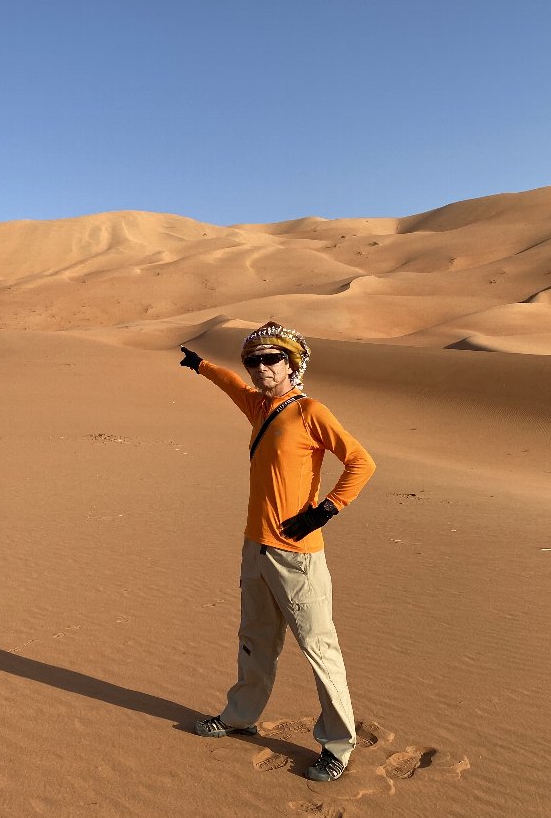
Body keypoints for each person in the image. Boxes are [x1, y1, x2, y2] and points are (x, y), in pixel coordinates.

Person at [178, 322, 375, 782]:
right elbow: (232, 385)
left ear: (291, 364)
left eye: (271, 358)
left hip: (297, 556)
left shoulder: (310, 412)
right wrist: (202, 365)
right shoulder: (260, 407)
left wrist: (325, 510)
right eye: (254, 360)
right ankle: (240, 716)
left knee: (319, 648)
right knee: (255, 640)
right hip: (256, 549)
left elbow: (361, 462)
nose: (261, 367)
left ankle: (338, 745)